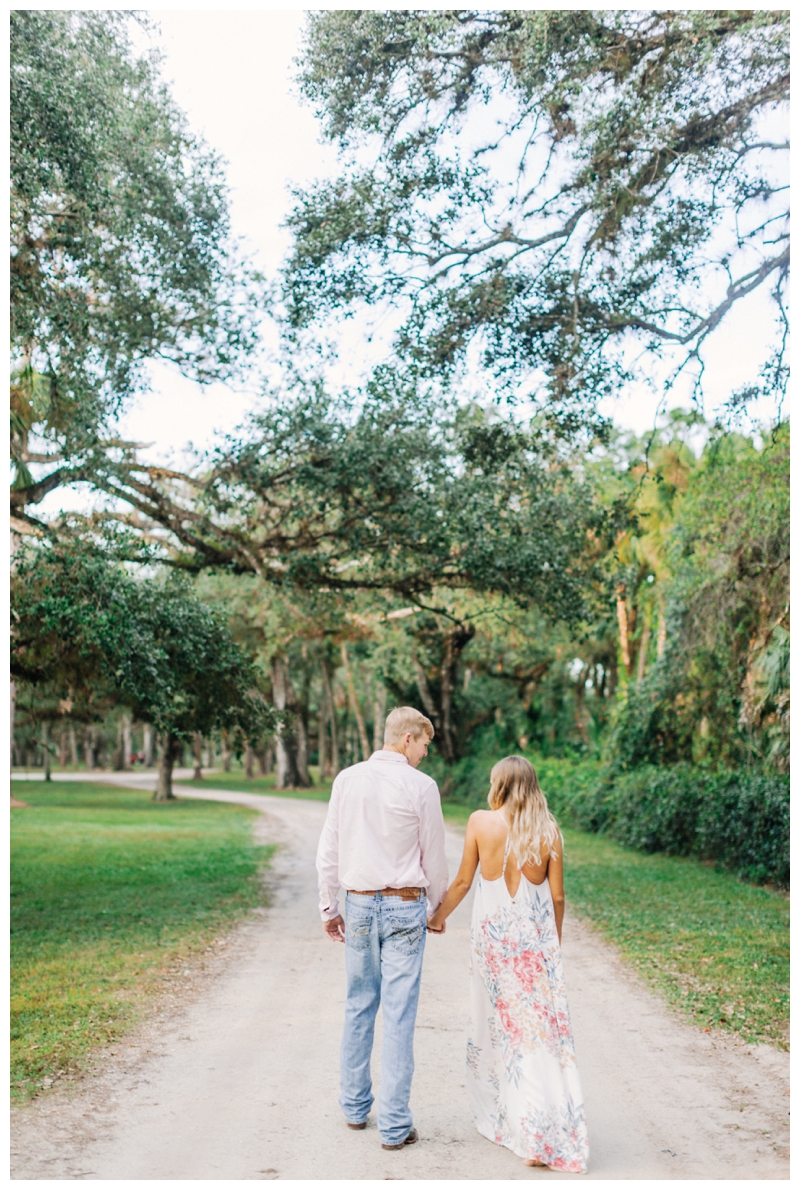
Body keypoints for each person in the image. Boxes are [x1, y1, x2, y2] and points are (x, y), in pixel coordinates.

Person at [427, 755, 589, 1173]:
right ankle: (542, 1127)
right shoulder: (548, 830)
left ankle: (528, 1130)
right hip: (534, 947)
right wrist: (553, 944)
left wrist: (437, 917)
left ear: (499, 784)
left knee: (502, 1032)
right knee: (537, 1036)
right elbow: (557, 898)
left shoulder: (481, 822)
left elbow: (464, 881)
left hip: (494, 945)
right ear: (532, 785)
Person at [316, 706, 448, 1151]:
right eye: (424, 745)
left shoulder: (347, 779)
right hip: (405, 906)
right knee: (398, 1013)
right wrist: (437, 908)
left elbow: (329, 848)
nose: (425, 754)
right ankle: (393, 1127)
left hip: (358, 905)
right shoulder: (421, 786)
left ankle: (355, 1110)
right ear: (407, 738)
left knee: (358, 1003)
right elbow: (434, 853)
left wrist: (328, 906)